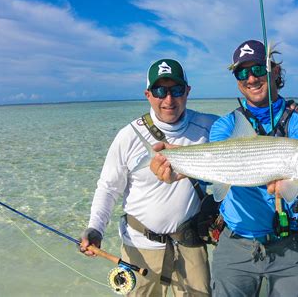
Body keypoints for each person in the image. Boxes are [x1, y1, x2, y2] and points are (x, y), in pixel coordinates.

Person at [151, 40, 298, 296]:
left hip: (289, 242)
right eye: (242, 72)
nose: (250, 78)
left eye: (258, 70)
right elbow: (218, 176)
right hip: (235, 243)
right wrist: (181, 165)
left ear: (275, 72)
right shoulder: (225, 126)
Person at [80, 58, 218, 296]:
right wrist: (95, 229)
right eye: (159, 91)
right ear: (147, 94)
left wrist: (287, 112)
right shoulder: (128, 136)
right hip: (140, 248)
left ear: (188, 91)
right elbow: (108, 188)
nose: (168, 99)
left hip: (191, 244)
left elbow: (248, 145)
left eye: (176, 90)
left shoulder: (211, 127)